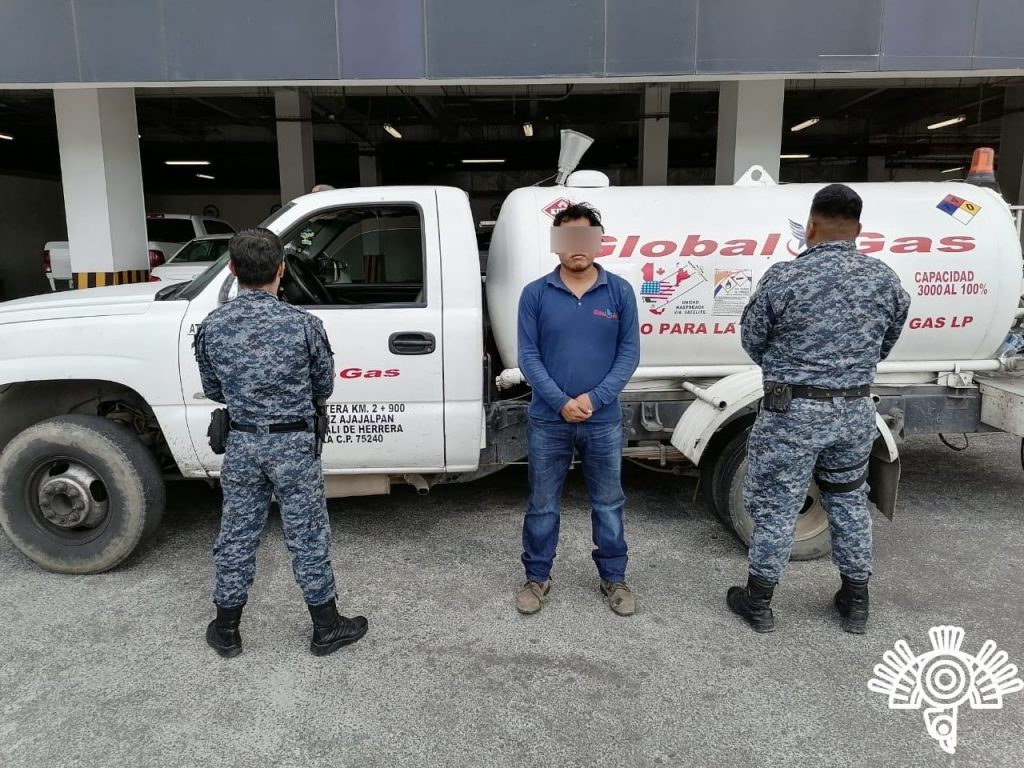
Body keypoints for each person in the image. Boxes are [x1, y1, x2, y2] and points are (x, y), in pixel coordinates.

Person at [727, 184, 911, 635]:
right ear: (858, 230)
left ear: (810, 227)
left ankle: (759, 602)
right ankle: (855, 603)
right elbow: (886, 341)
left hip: (792, 414)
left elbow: (753, 340)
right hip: (853, 413)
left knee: (776, 506)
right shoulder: (884, 279)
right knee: (848, 502)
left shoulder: (784, 278)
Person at [194, 227, 368, 657]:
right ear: (282, 270)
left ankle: (226, 631)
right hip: (293, 445)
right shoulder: (304, 325)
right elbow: (323, 384)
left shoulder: (212, 326)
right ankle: (326, 628)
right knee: (307, 535)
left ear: (232, 269)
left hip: (243, 443)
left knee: (236, 534)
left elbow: (214, 388)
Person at [515, 203, 640, 616]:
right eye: (567, 240)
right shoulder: (535, 294)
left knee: (607, 502)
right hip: (548, 420)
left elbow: (629, 354)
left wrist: (593, 399)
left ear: (598, 241)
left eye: (585, 238)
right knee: (542, 503)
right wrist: (562, 402)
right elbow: (528, 356)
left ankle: (614, 579)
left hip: (602, 420)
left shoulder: (619, 291)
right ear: (557, 246)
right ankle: (536, 578)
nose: (576, 248)